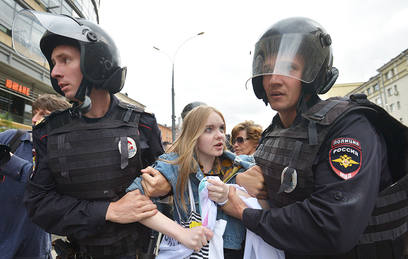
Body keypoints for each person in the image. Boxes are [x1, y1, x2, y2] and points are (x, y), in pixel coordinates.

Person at [224, 17, 407, 258]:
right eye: (268, 69)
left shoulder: (349, 127)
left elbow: (332, 227)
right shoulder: (275, 131)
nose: (275, 79)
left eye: (289, 68)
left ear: (313, 74)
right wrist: (244, 181)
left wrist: (244, 212)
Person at [13, 10, 173, 258]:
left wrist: (167, 186)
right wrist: (108, 211)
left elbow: (168, 187)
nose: (55, 72)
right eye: (54, 63)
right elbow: (39, 205)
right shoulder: (48, 132)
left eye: (65, 60)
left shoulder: (142, 124)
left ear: (95, 61)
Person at [128, 105, 255, 258]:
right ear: (193, 134)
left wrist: (230, 193)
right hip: (191, 253)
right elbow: (132, 199)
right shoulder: (175, 165)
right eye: (209, 129)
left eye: (221, 128)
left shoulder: (239, 165)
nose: (220, 135)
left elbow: (270, 203)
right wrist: (181, 233)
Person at [0, 94, 70, 259]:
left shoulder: (65, 155)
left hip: (34, 247)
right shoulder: (12, 138)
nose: (34, 119)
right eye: (35, 112)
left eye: (44, 115)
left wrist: (11, 163)